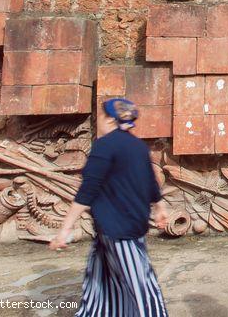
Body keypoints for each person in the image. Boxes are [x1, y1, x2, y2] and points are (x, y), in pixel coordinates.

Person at [50, 99, 170, 317]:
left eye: (101, 117)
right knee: (101, 278)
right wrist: (159, 207)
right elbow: (151, 182)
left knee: (140, 282)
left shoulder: (104, 146)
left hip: (119, 229)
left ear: (110, 119)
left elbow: (88, 190)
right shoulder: (138, 146)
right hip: (128, 223)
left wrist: (64, 229)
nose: (99, 123)